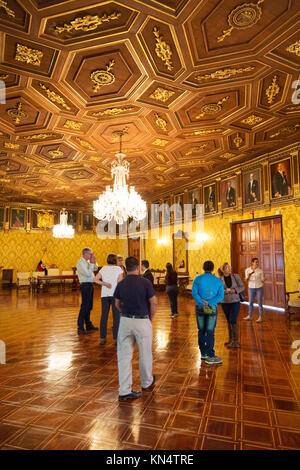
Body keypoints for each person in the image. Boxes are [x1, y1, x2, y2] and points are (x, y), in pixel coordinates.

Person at [114, 256, 158, 401]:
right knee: (145, 353)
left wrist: (124, 314)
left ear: (125, 268)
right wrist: (149, 318)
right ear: (138, 268)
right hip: (142, 320)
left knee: (124, 356)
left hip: (125, 321)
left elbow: (117, 304)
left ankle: (124, 391)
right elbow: (154, 302)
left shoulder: (121, 283)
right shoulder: (145, 282)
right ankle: (146, 382)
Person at [192, 260, 224, 364]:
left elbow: (194, 293)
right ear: (213, 268)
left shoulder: (197, 279)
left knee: (201, 330)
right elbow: (220, 296)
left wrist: (202, 302)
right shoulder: (218, 280)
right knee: (210, 331)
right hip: (211, 308)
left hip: (200, 307)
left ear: (203, 268)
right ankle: (211, 356)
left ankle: (203, 353)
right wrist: (210, 303)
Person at [94, 254, 124, 345]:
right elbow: (120, 283)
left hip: (105, 295)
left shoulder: (103, 268)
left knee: (104, 316)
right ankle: (116, 339)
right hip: (115, 295)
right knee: (116, 317)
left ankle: (102, 338)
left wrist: (105, 284)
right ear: (115, 260)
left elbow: (95, 279)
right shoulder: (119, 269)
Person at [218, 263, 245, 348]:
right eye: (227, 267)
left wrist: (235, 290)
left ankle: (236, 342)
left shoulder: (235, 276)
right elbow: (217, 290)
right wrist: (223, 291)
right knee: (228, 321)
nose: (230, 268)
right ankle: (231, 340)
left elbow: (242, 286)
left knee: (233, 320)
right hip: (224, 302)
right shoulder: (219, 279)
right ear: (223, 270)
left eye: (230, 267)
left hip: (235, 301)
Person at [76, 248, 99, 335]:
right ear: (85, 254)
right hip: (85, 285)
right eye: (90, 254)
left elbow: (95, 268)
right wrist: (92, 263)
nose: (91, 255)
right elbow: (88, 274)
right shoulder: (80, 263)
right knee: (85, 306)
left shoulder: (88, 262)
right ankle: (80, 327)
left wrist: (94, 261)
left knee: (89, 306)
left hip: (90, 285)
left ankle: (88, 325)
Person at [244, 257, 264, 322]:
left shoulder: (260, 270)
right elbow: (246, 280)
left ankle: (260, 317)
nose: (257, 263)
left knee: (259, 303)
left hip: (259, 288)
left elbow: (262, 279)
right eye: (256, 262)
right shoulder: (247, 270)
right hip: (251, 288)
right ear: (252, 263)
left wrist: (264, 279)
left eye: (258, 262)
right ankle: (250, 316)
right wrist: (249, 276)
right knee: (251, 302)